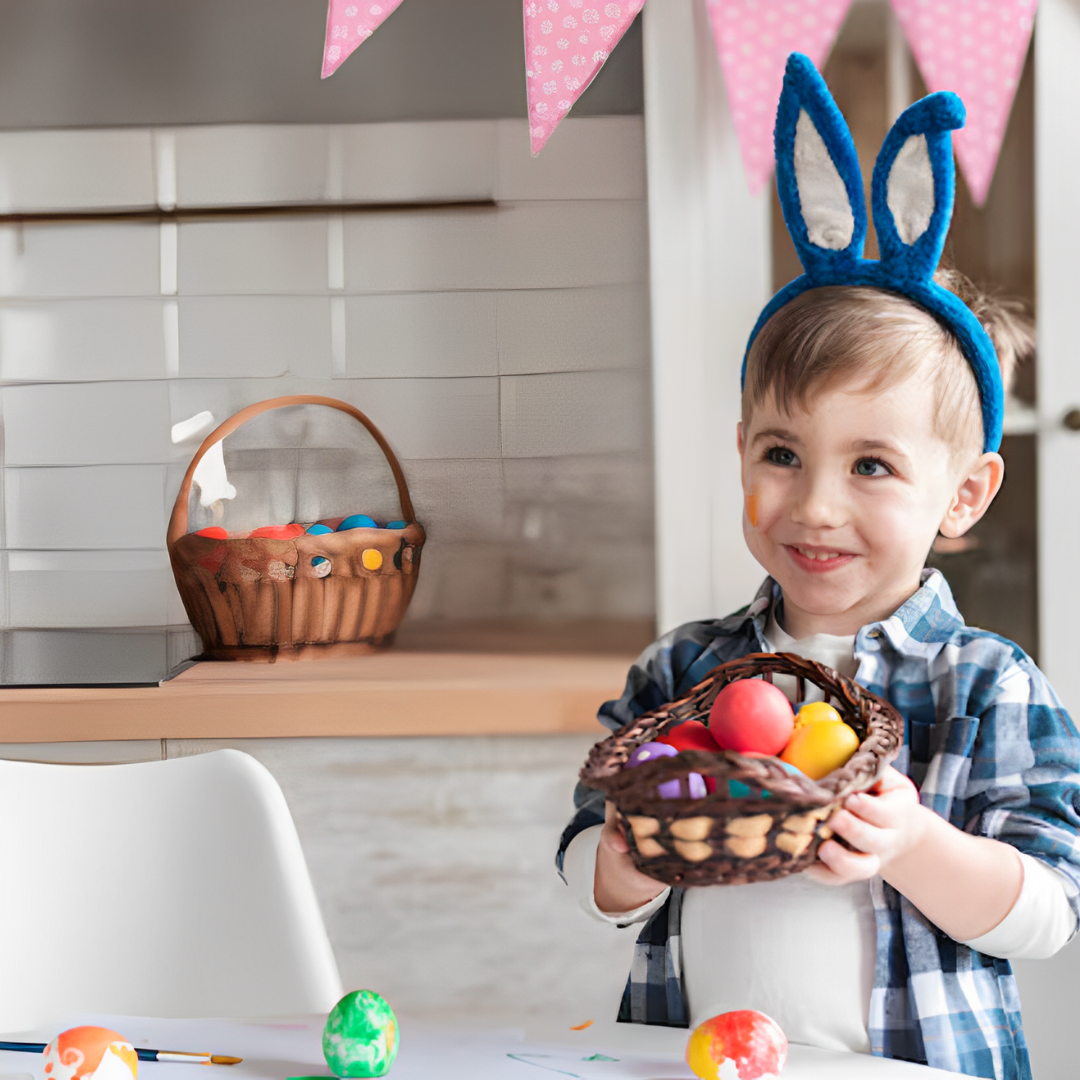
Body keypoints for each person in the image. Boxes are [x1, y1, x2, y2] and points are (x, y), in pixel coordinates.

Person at [556, 55, 1080, 1080]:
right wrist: (621, 856)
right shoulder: (683, 671)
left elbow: (1051, 913)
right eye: (782, 455)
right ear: (742, 450)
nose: (815, 505)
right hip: (697, 1063)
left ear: (966, 494)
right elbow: (584, 868)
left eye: (872, 465)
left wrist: (917, 844)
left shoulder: (983, 683)